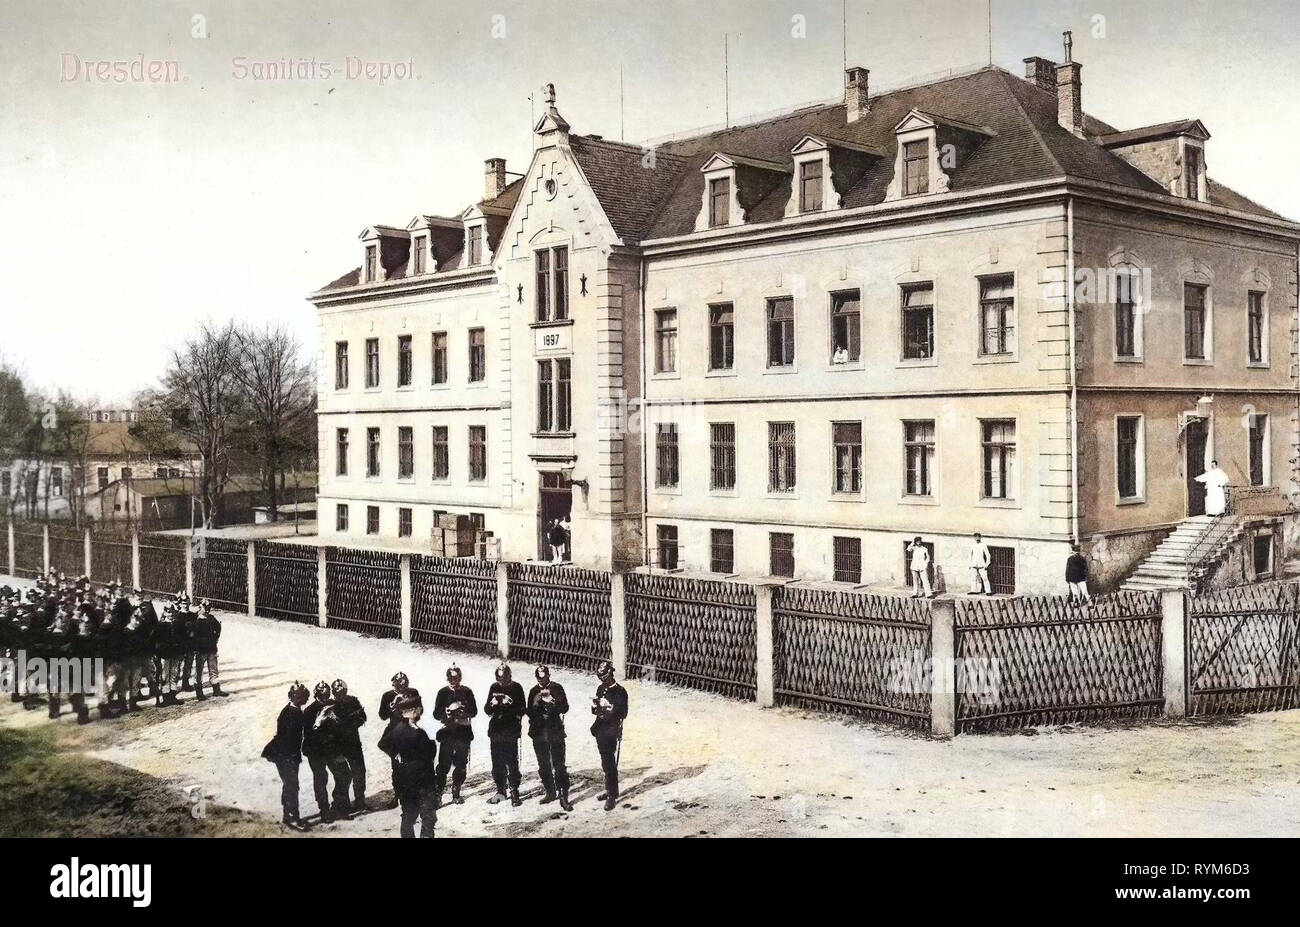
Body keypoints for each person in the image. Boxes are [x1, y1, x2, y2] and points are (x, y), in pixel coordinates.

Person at [378, 695, 438, 838]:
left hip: (405, 778)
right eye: (417, 709)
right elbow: (428, 754)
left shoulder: (397, 728)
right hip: (422, 779)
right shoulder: (418, 732)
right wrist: (432, 745)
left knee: (408, 815)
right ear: (415, 711)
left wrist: (396, 755)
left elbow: (383, 744)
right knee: (428, 815)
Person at [262, 682, 310, 831]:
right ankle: (292, 818)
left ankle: (287, 815)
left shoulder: (295, 710)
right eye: (300, 697)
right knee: (292, 785)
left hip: (286, 753)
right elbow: (287, 739)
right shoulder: (289, 714)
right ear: (293, 697)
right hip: (285, 755)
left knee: (289, 784)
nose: (303, 699)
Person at [302, 681, 352, 822]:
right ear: (316, 695)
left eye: (327, 696)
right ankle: (324, 811)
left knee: (345, 775)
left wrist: (335, 719)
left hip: (332, 749)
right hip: (316, 751)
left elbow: (342, 727)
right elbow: (308, 735)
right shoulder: (309, 711)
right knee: (321, 778)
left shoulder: (334, 705)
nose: (325, 699)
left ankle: (339, 806)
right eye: (322, 696)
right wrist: (318, 722)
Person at [527, 664, 572, 811]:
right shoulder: (533, 691)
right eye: (539, 679)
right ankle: (550, 791)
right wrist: (536, 704)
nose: (542, 681)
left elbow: (565, 708)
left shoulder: (557, 688)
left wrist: (553, 702)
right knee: (543, 764)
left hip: (555, 731)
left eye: (544, 678)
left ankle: (563, 795)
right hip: (539, 732)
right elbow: (528, 712)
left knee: (559, 765)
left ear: (548, 676)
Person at [432, 665, 477, 806]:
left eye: (456, 678)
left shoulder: (467, 692)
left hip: (463, 732)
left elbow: (474, 711)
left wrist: (464, 710)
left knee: (461, 764)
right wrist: (446, 712)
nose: (453, 681)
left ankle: (456, 792)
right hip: (448, 733)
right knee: (443, 765)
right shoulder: (442, 693)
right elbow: (436, 714)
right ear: (447, 678)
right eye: (451, 678)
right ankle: (438, 794)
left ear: (460, 678)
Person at [484, 663, 525, 807]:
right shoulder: (494, 688)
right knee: (497, 762)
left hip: (510, 730)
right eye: (499, 679)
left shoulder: (517, 688)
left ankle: (514, 791)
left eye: (505, 679)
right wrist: (493, 704)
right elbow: (487, 710)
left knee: (511, 762)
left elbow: (522, 710)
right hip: (496, 730)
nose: (502, 682)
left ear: (509, 676)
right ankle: (500, 790)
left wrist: (511, 703)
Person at [377, 672, 421, 809]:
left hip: (409, 730)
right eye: (400, 685)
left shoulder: (413, 692)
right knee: (396, 766)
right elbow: (382, 716)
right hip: (395, 731)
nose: (403, 688)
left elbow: (420, 711)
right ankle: (397, 796)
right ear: (394, 684)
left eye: (405, 685)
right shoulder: (388, 695)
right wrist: (391, 707)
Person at [590, 661, 628, 812]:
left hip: (611, 729)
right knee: (605, 762)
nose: (602, 680)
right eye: (600, 677)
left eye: (604, 676)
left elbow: (623, 713)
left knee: (609, 762)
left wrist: (611, 709)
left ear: (611, 674)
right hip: (600, 728)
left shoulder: (620, 691)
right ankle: (610, 790)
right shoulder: (601, 688)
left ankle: (612, 794)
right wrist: (595, 707)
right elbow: (596, 710)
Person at [329, 679, 368, 811]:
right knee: (342, 775)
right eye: (336, 692)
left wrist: (349, 723)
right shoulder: (330, 705)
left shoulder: (353, 701)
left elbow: (363, 717)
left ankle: (360, 800)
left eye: (342, 692)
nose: (339, 695)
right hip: (338, 745)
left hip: (353, 743)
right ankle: (342, 803)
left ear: (346, 691)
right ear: (333, 693)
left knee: (359, 772)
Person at [190, 600, 226, 699]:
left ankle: (216, 690)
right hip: (201, 650)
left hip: (212, 649)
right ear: (199, 608)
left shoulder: (211, 619)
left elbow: (218, 628)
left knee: (213, 669)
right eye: (203, 608)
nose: (206, 610)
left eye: (208, 608)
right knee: (199, 672)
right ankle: (199, 692)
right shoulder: (196, 622)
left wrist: (215, 639)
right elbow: (193, 638)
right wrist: (195, 649)